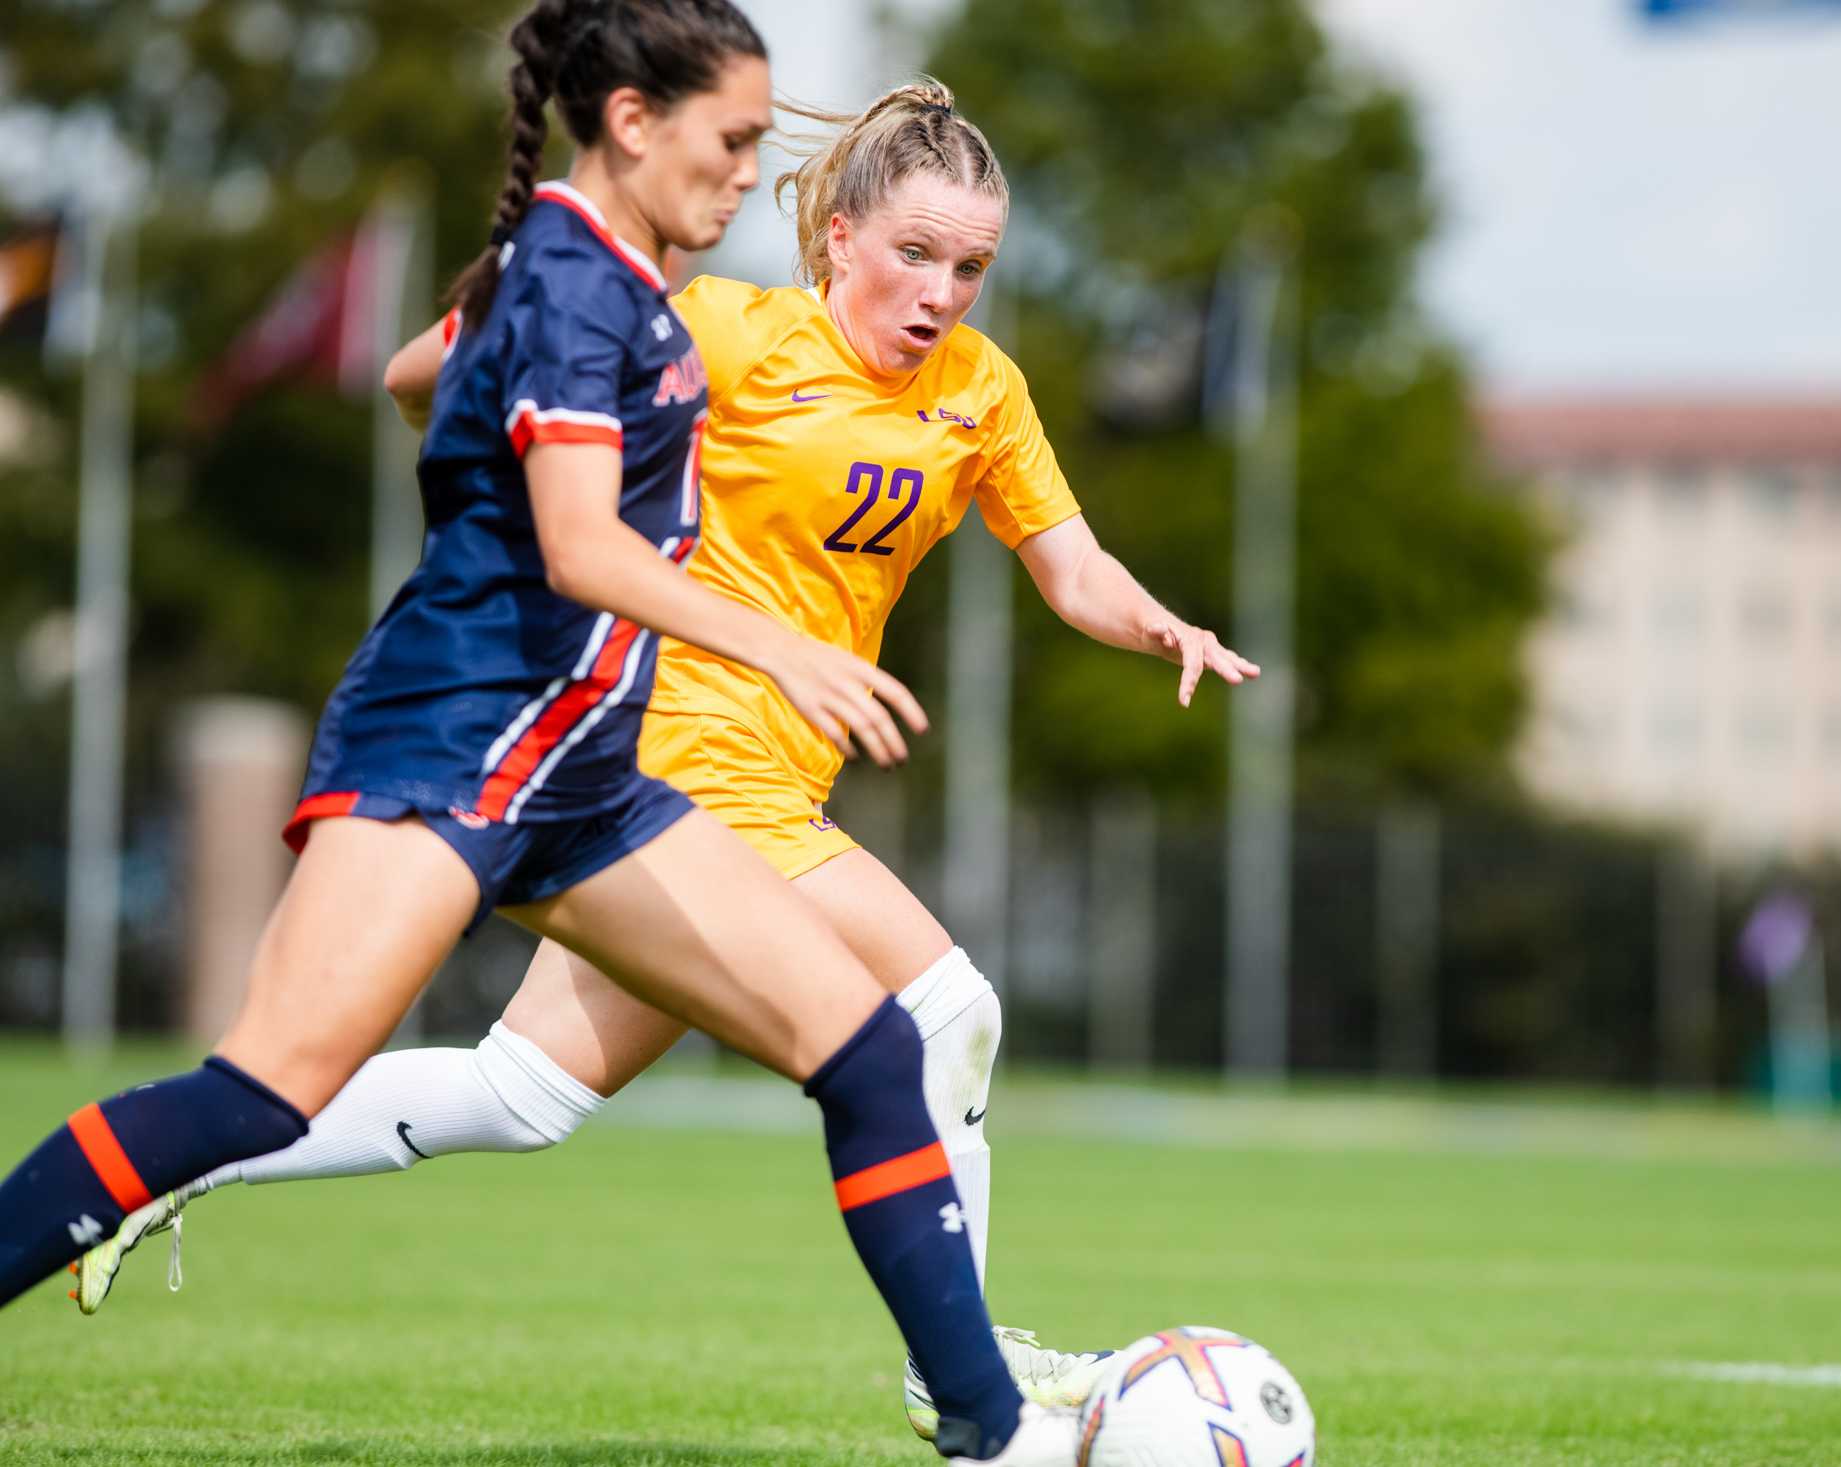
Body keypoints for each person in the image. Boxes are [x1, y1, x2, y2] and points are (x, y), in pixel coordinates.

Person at [67, 74, 1259, 1442]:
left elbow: (1070, 567)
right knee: (948, 1010)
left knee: (518, 1095)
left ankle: (164, 1160)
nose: (942, 291)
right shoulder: (734, 334)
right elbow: (461, 364)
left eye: (971, 265)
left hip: (751, 789)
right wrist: (446, 388)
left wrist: (1156, 620)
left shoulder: (981, 391)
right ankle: (962, 1380)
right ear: (839, 244)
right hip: (684, 756)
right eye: (915, 255)